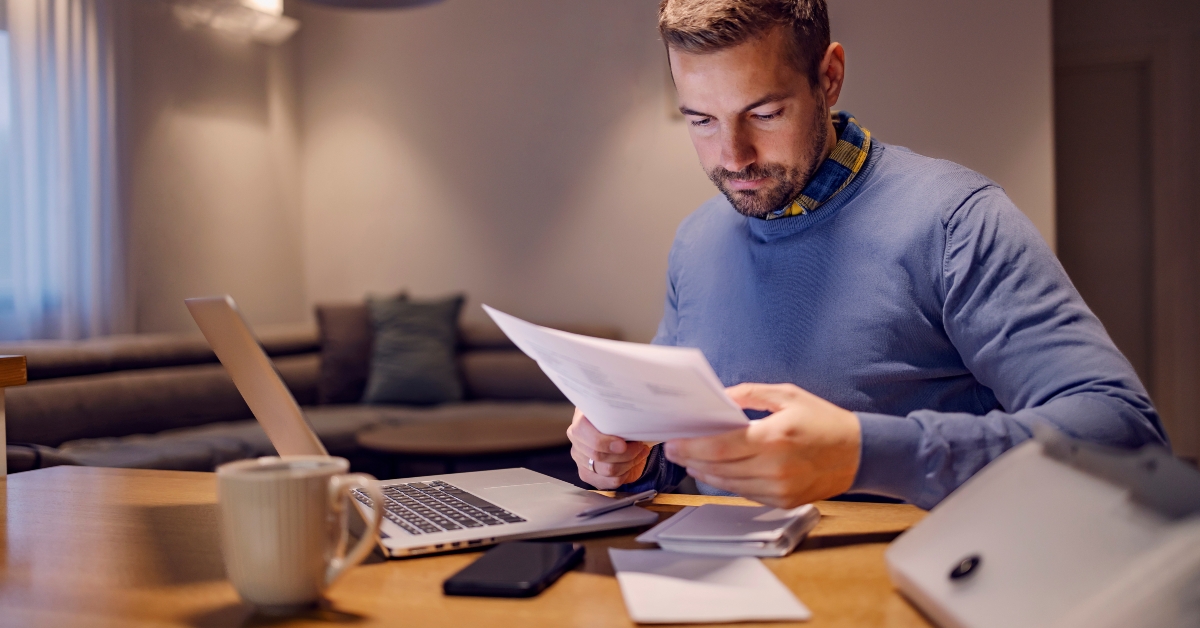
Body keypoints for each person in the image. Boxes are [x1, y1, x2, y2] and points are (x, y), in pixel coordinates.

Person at [566, 0, 1167, 510]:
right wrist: (627, 459)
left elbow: (1123, 435)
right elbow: (672, 447)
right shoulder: (695, 241)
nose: (734, 156)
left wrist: (864, 453)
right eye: (699, 120)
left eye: (765, 113)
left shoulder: (956, 220)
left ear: (828, 78)